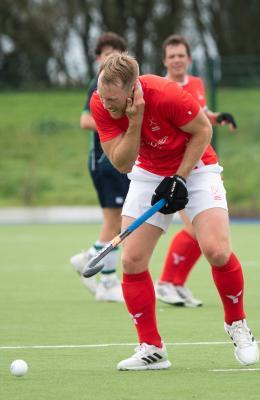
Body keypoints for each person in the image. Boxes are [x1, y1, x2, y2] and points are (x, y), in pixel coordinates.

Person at [89, 52, 259, 371]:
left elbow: (203, 131)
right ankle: (151, 348)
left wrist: (180, 178)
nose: (106, 103)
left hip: (195, 167)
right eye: (102, 95)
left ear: (132, 89)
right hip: (147, 173)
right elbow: (122, 162)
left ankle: (237, 324)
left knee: (217, 250)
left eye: (113, 98)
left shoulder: (166, 94)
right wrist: (136, 120)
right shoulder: (102, 103)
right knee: (132, 260)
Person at [155, 35, 237, 308]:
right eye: (172, 56)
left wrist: (216, 117)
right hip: (176, 166)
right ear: (164, 61)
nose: (177, 60)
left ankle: (176, 284)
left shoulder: (197, 84)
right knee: (194, 229)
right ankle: (166, 282)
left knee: (201, 234)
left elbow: (198, 113)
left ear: (188, 59)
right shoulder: (161, 88)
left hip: (202, 163)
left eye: (181, 55)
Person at [70, 33, 130, 302]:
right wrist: (116, 120)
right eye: (106, 53)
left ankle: (103, 276)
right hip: (105, 162)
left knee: (118, 222)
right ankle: (95, 268)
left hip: (120, 162)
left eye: (115, 53)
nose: (110, 58)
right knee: (114, 222)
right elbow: (84, 121)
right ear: (98, 58)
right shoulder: (98, 85)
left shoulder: (122, 85)